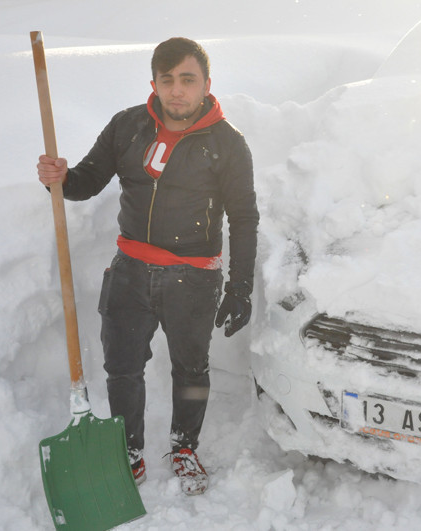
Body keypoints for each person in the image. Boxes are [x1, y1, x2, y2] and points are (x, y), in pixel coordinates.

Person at [36, 37, 259, 496]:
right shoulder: (128, 127)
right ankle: (129, 452)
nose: (177, 91)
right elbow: (85, 182)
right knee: (122, 368)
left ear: (206, 84)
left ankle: (183, 446)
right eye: (167, 80)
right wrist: (60, 179)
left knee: (191, 369)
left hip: (194, 278)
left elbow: (243, 218)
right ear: (154, 83)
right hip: (130, 271)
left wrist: (240, 288)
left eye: (187, 80)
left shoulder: (228, 144)